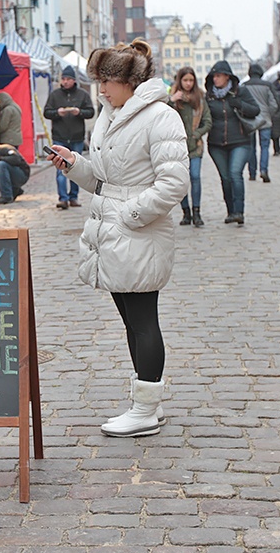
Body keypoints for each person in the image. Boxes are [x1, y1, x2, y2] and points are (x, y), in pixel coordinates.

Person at [46, 39, 190, 438]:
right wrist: (74, 166)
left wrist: (130, 214)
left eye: (108, 81)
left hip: (137, 231)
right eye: (99, 81)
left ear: (131, 80)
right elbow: (105, 180)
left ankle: (145, 409)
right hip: (112, 233)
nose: (102, 90)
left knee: (143, 321)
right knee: (132, 321)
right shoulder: (111, 116)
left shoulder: (160, 117)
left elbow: (173, 182)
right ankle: (147, 404)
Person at [204, 60, 260, 226]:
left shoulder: (240, 92)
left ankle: (239, 212)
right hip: (216, 144)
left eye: (219, 76)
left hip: (240, 141)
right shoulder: (209, 96)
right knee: (225, 178)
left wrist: (240, 104)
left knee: (235, 174)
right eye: (214, 76)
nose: (215, 79)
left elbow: (255, 110)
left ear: (228, 77)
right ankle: (230, 211)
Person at [43, 65, 95, 210]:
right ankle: (63, 199)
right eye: (63, 79)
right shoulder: (55, 95)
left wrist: (79, 112)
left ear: (73, 80)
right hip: (59, 136)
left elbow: (90, 112)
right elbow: (47, 112)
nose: (65, 82)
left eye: (68, 79)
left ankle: (73, 197)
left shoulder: (82, 94)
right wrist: (57, 113)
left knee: (75, 168)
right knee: (60, 169)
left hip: (77, 137)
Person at [168, 66, 211, 227]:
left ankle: (197, 212)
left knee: (195, 177)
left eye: (191, 80)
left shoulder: (200, 98)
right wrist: (172, 100)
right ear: (180, 80)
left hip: (195, 146)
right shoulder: (172, 98)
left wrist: (196, 134)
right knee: (181, 181)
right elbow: (163, 117)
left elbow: (207, 121)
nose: (188, 83)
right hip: (177, 147)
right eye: (185, 80)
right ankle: (186, 212)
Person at [242, 64, 278, 182]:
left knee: (251, 147)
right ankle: (264, 170)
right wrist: (269, 114)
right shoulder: (267, 85)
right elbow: (273, 104)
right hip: (265, 120)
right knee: (265, 147)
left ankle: (252, 173)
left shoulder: (244, 86)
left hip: (250, 120)